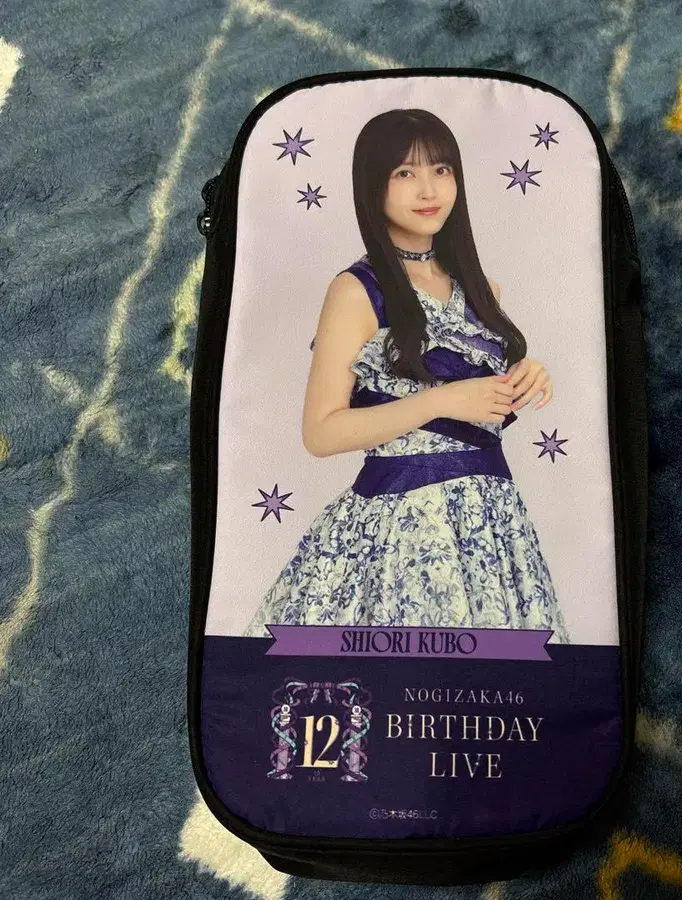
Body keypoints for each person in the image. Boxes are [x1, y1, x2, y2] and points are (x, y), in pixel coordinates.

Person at [243, 108, 570, 643]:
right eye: (405, 172)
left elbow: (478, 406)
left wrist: (523, 376)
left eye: (441, 170)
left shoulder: (480, 288)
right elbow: (320, 433)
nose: (428, 189)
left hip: (492, 526)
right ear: (373, 185)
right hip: (402, 526)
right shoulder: (357, 290)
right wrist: (440, 401)